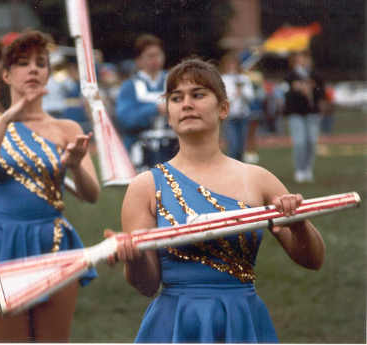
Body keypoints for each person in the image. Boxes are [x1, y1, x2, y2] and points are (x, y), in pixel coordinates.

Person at [105, 57, 325, 343]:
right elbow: (147, 285)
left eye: (198, 95)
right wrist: (132, 259)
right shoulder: (144, 186)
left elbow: (313, 260)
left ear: (223, 108)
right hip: (176, 322)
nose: (186, 104)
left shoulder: (258, 179)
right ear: (169, 114)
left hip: (241, 319)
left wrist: (298, 222)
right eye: (176, 98)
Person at [0, 30, 100, 342]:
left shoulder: (67, 127)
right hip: (1, 242)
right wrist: (5, 120)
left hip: (54, 239)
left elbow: (92, 194)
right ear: (6, 75)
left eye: (41, 63)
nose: (33, 69)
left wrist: (74, 164)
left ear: (48, 72)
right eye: (23, 63)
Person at [115, 34, 176, 171]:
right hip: (142, 150)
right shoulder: (130, 86)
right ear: (139, 60)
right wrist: (155, 109)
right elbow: (125, 119)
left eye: (158, 54)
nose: (155, 59)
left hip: (173, 148)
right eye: (150, 56)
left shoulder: (174, 82)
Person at [284, 50, 325, 183]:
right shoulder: (291, 76)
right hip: (296, 114)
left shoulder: (315, 75)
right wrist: (296, 90)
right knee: (300, 142)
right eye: (300, 58)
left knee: (311, 142)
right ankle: (299, 170)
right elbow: (286, 95)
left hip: (312, 114)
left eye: (305, 58)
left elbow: (322, 93)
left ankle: (308, 168)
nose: (303, 61)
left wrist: (313, 89)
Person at [219, 52, 255, 161]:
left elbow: (251, 96)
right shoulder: (223, 79)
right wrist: (234, 95)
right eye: (229, 64)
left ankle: (240, 171)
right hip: (230, 116)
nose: (232, 67)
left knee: (241, 147)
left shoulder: (244, 78)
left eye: (234, 64)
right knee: (233, 146)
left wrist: (242, 93)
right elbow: (222, 98)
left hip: (243, 115)